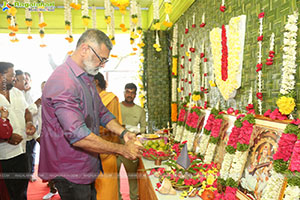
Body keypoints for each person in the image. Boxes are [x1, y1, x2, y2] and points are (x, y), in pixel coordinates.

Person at [38, 29, 143, 200]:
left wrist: (124, 133)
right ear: (85, 49)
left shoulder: (85, 77)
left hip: (87, 164)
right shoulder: (64, 80)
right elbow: (78, 136)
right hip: (70, 169)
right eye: (101, 59)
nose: (102, 65)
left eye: (105, 60)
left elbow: (102, 112)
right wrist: (122, 149)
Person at [0, 62, 36, 200]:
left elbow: (26, 111)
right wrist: (6, 138)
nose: (14, 78)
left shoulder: (17, 92)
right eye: (11, 75)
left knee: (22, 191)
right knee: (8, 193)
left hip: (22, 150)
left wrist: (29, 122)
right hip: (4, 156)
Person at [94, 72, 122, 200]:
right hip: (89, 152)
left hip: (106, 151)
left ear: (95, 82)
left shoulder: (110, 99)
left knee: (107, 192)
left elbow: (113, 126)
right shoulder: (88, 99)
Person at [117, 83, 146, 200]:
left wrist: (136, 131)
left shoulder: (140, 111)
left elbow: (144, 129)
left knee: (133, 178)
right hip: (115, 147)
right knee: (114, 177)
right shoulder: (116, 107)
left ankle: (135, 198)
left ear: (135, 95)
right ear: (124, 92)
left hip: (131, 149)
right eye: (127, 92)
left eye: (132, 92)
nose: (130, 95)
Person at [14, 70, 40, 182]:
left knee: (31, 154)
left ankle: (29, 173)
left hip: (31, 131)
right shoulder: (12, 95)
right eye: (23, 79)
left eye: (26, 79)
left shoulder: (29, 93)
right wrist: (37, 103)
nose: (25, 82)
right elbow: (28, 111)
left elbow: (28, 113)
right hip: (15, 140)